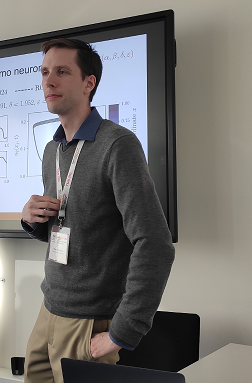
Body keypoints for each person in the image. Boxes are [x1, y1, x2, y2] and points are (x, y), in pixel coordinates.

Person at [20, 38, 175, 383]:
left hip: (89, 321)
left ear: (89, 83)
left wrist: (122, 332)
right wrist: (32, 220)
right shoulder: (52, 149)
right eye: (45, 72)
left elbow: (155, 243)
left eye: (62, 71)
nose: (49, 81)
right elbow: (69, 225)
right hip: (48, 311)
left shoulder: (117, 145)